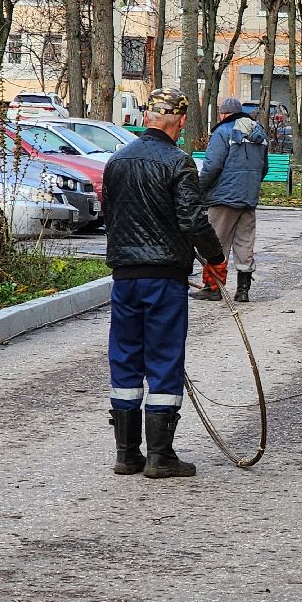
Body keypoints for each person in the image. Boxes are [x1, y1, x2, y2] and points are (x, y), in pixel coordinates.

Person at [104, 88, 225, 479]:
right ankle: (160, 456)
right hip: (164, 278)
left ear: (147, 117)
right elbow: (192, 220)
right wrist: (216, 259)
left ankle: (126, 454)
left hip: (124, 278)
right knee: (164, 359)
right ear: (182, 120)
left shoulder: (116, 160)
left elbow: (110, 213)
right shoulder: (179, 162)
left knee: (125, 359)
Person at [195, 96, 269, 303]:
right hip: (248, 198)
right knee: (245, 242)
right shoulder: (259, 134)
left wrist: (199, 190)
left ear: (224, 114)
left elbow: (212, 166)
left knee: (215, 242)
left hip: (223, 198)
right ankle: (243, 290)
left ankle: (213, 287)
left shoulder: (222, 132)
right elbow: (264, 168)